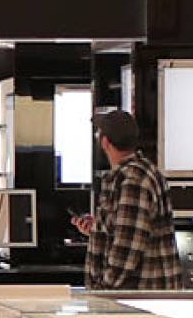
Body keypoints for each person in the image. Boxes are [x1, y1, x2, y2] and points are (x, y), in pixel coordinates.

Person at [72, 110, 183, 290]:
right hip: (143, 297)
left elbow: (127, 248)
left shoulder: (132, 181)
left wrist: (102, 292)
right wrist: (99, 227)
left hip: (136, 299)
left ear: (105, 142)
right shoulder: (145, 171)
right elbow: (131, 229)